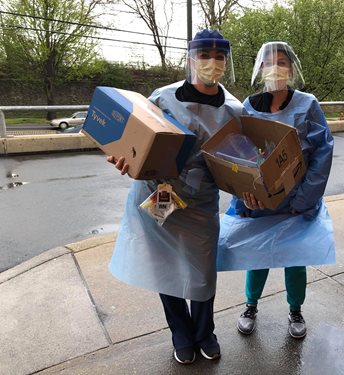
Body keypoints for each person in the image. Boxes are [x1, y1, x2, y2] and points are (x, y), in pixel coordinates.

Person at [106, 29, 242, 364]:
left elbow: (240, 161)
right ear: (191, 59)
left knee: (203, 270)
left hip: (202, 201)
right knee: (165, 264)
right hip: (161, 195)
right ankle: (180, 333)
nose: (211, 63)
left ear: (226, 62)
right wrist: (126, 159)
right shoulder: (162, 98)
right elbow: (137, 142)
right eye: (204, 55)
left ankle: (204, 332)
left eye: (219, 56)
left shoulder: (234, 110)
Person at [216, 41, 334, 339]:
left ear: (291, 69)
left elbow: (322, 153)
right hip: (259, 203)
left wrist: (304, 200)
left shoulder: (308, 105)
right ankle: (250, 305)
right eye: (269, 62)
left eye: (282, 62)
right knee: (257, 257)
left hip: (296, 204)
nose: (276, 68)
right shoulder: (246, 108)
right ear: (260, 68)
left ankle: (295, 309)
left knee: (295, 260)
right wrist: (246, 198)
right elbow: (236, 157)